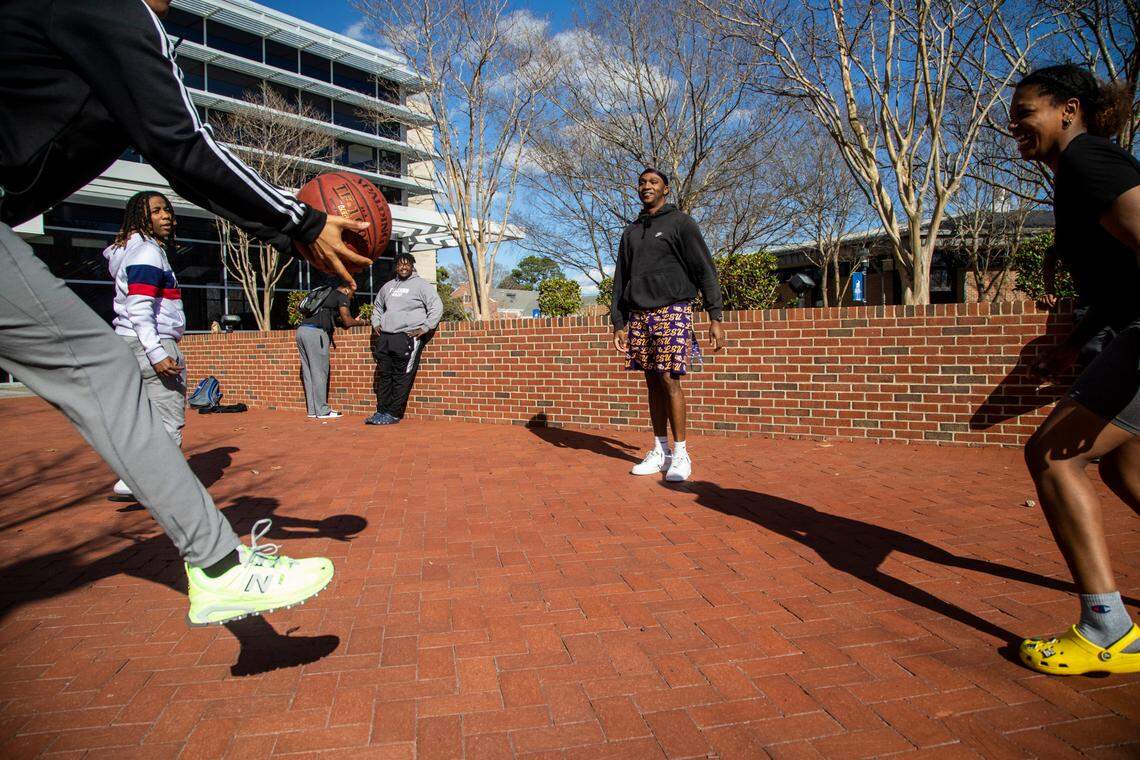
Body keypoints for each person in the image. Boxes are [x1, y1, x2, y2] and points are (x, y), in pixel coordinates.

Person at [0, 0, 373, 626]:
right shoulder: (112, 11)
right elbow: (183, 144)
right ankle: (222, 568)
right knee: (101, 372)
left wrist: (289, 232)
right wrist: (301, 222)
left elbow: (181, 164)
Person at [1009, 64, 1140, 674]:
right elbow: (1121, 281)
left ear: (1068, 109)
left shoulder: (1090, 162)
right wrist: (1079, 341)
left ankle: (1107, 632)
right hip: (1124, 329)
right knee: (1125, 469)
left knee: (1055, 456)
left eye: (1026, 110)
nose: (1015, 124)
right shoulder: (1079, 172)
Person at [610, 168, 726, 482]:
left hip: (673, 309)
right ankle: (660, 451)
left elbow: (705, 270)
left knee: (669, 380)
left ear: (665, 189)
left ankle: (681, 453)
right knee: (651, 382)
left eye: (653, 182)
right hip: (640, 314)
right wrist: (618, 321)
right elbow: (621, 278)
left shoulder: (681, 223)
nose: (646, 186)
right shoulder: (631, 231)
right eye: (642, 182)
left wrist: (715, 316)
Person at [104, 191, 186, 500]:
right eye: (156, 211)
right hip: (153, 343)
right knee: (168, 418)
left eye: (167, 210)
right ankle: (157, 488)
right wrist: (156, 352)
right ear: (141, 217)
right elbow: (140, 306)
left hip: (130, 343)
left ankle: (134, 478)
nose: (167, 216)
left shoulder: (130, 250)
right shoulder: (147, 252)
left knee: (140, 418)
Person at [366, 252, 443, 425]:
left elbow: (436, 306)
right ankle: (381, 411)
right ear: (395, 267)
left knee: (402, 377)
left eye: (407, 264)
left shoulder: (422, 286)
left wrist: (425, 327)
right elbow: (378, 307)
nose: (403, 267)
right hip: (386, 338)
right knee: (385, 376)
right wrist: (376, 322)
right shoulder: (388, 287)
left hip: (407, 337)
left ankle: (393, 414)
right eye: (400, 264)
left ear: (412, 265)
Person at [297, 279, 368, 419]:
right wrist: (364, 322)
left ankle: (313, 410)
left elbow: (338, 320)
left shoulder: (326, 295)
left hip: (301, 331)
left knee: (308, 372)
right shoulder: (341, 296)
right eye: (352, 295)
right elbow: (347, 320)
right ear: (347, 290)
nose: (351, 298)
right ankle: (322, 411)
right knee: (319, 372)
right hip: (316, 333)